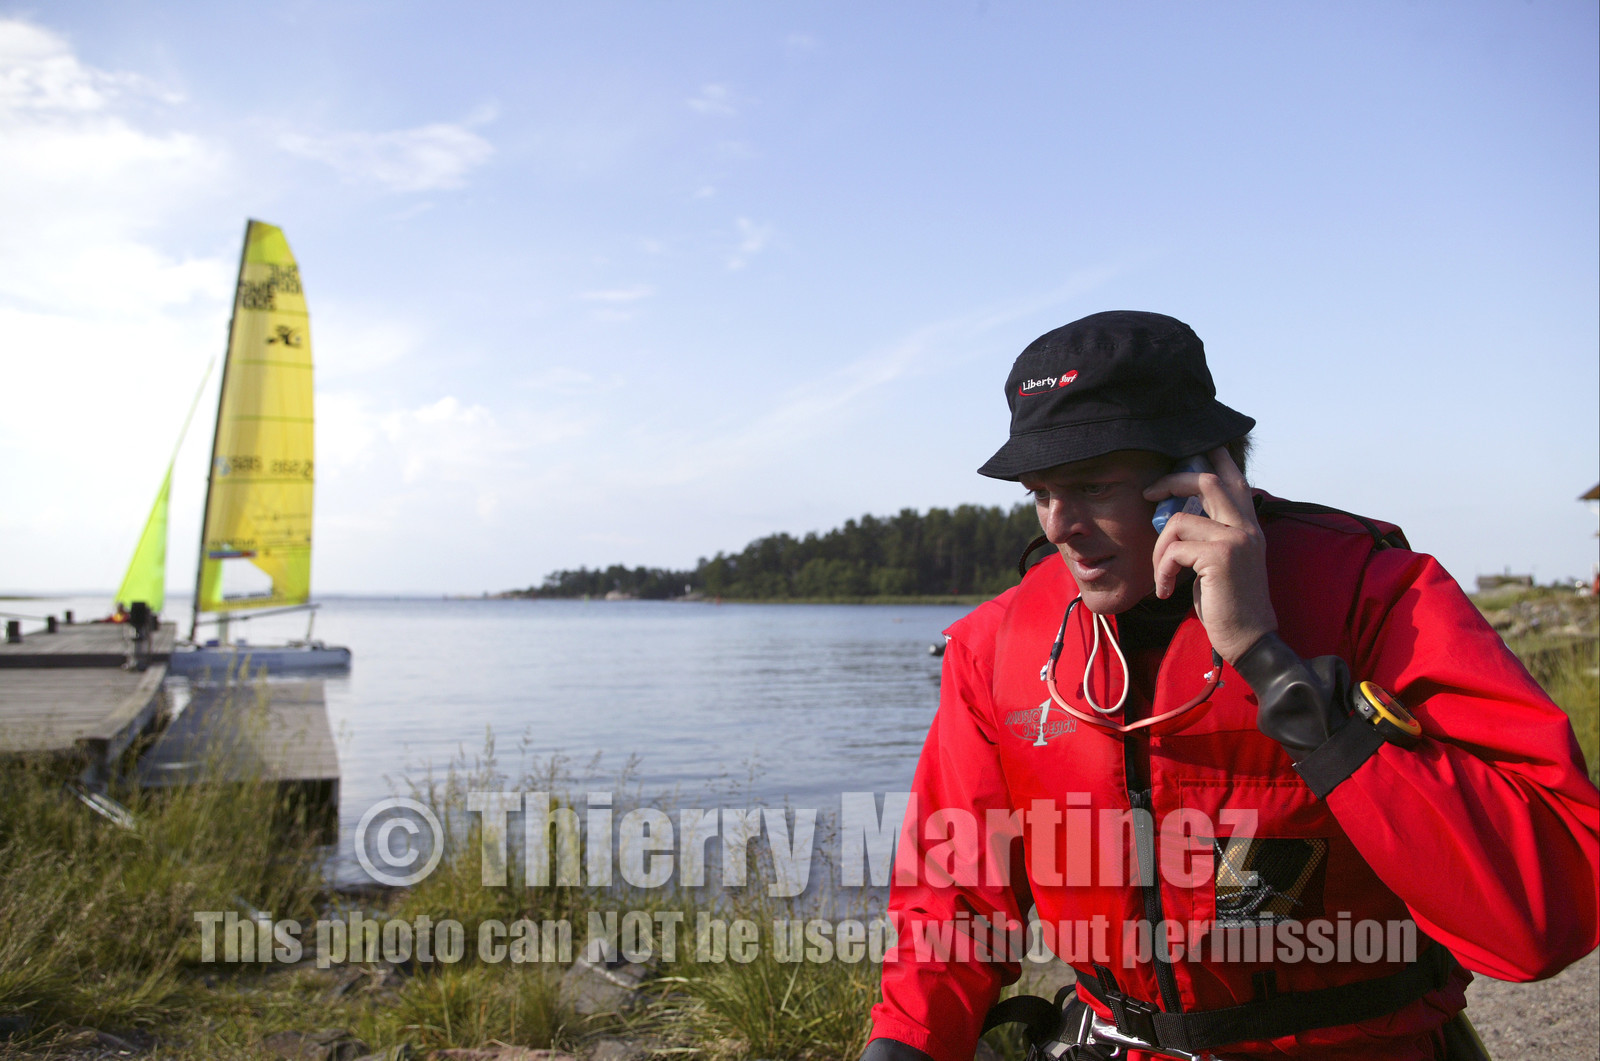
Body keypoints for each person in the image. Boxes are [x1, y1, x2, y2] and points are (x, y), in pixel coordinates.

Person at [862, 311, 1600, 1061]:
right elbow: (951, 905)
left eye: (1090, 484)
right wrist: (904, 1046)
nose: (1059, 526)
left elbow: (1546, 917)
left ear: (1200, 475)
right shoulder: (997, 646)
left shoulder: (1376, 597)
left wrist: (1268, 659)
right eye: (1039, 492)